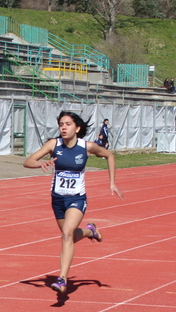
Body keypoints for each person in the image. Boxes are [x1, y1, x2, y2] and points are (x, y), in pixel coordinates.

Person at [23, 111, 124, 294]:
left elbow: (109, 156)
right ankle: (89, 231)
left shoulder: (87, 147)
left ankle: (62, 278)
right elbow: (28, 161)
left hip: (77, 198)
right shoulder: (54, 144)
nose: (63, 127)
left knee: (67, 234)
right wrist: (40, 164)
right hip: (57, 199)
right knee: (68, 235)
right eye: (61, 124)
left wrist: (112, 183)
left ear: (77, 128)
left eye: (68, 124)